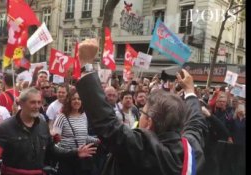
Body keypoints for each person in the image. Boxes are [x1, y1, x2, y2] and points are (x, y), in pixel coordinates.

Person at [75, 39, 207, 175]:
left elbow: (107, 124)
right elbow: (195, 123)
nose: (141, 114)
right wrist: (190, 91)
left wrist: (85, 63)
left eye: (143, 112)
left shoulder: (142, 150)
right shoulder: (191, 149)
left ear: (149, 122)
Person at [0, 87, 96, 175]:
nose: (37, 106)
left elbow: (52, 150)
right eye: (32, 102)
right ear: (21, 103)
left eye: (39, 102)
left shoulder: (43, 125)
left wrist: (75, 152)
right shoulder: (5, 127)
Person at [53, 91, 99, 175]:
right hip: (67, 160)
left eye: (79, 99)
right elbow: (55, 141)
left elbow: (83, 136)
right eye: (74, 99)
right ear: (69, 101)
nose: (77, 101)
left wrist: (97, 141)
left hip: (82, 160)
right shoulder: (62, 117)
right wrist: (73, 151)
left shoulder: (83, 116)